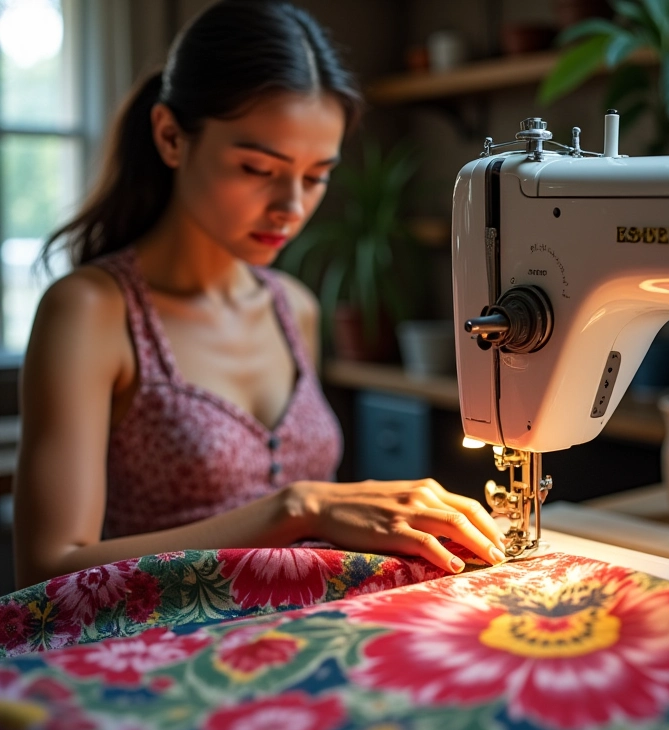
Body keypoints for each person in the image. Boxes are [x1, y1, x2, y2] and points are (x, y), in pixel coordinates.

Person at [12, 0, 506, 590]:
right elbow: (45, 570)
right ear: (171, 138)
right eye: (256, 168)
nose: (291, 207)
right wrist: (297, 508)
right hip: (157, 639)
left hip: (308, 629)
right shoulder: (91, 311)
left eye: (316, 176)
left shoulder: (293, 307)